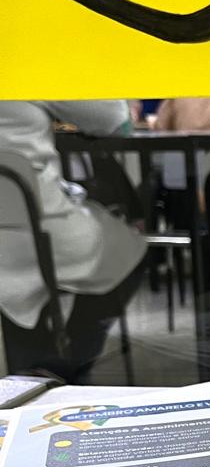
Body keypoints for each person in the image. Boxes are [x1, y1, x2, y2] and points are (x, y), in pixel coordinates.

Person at [0, 100, 145, 380]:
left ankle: (32, 375)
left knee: (13, 274)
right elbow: (112, 118)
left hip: (9, 231)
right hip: (42, 223)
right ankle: (68, 362)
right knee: (131, 252)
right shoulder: (31, 72)